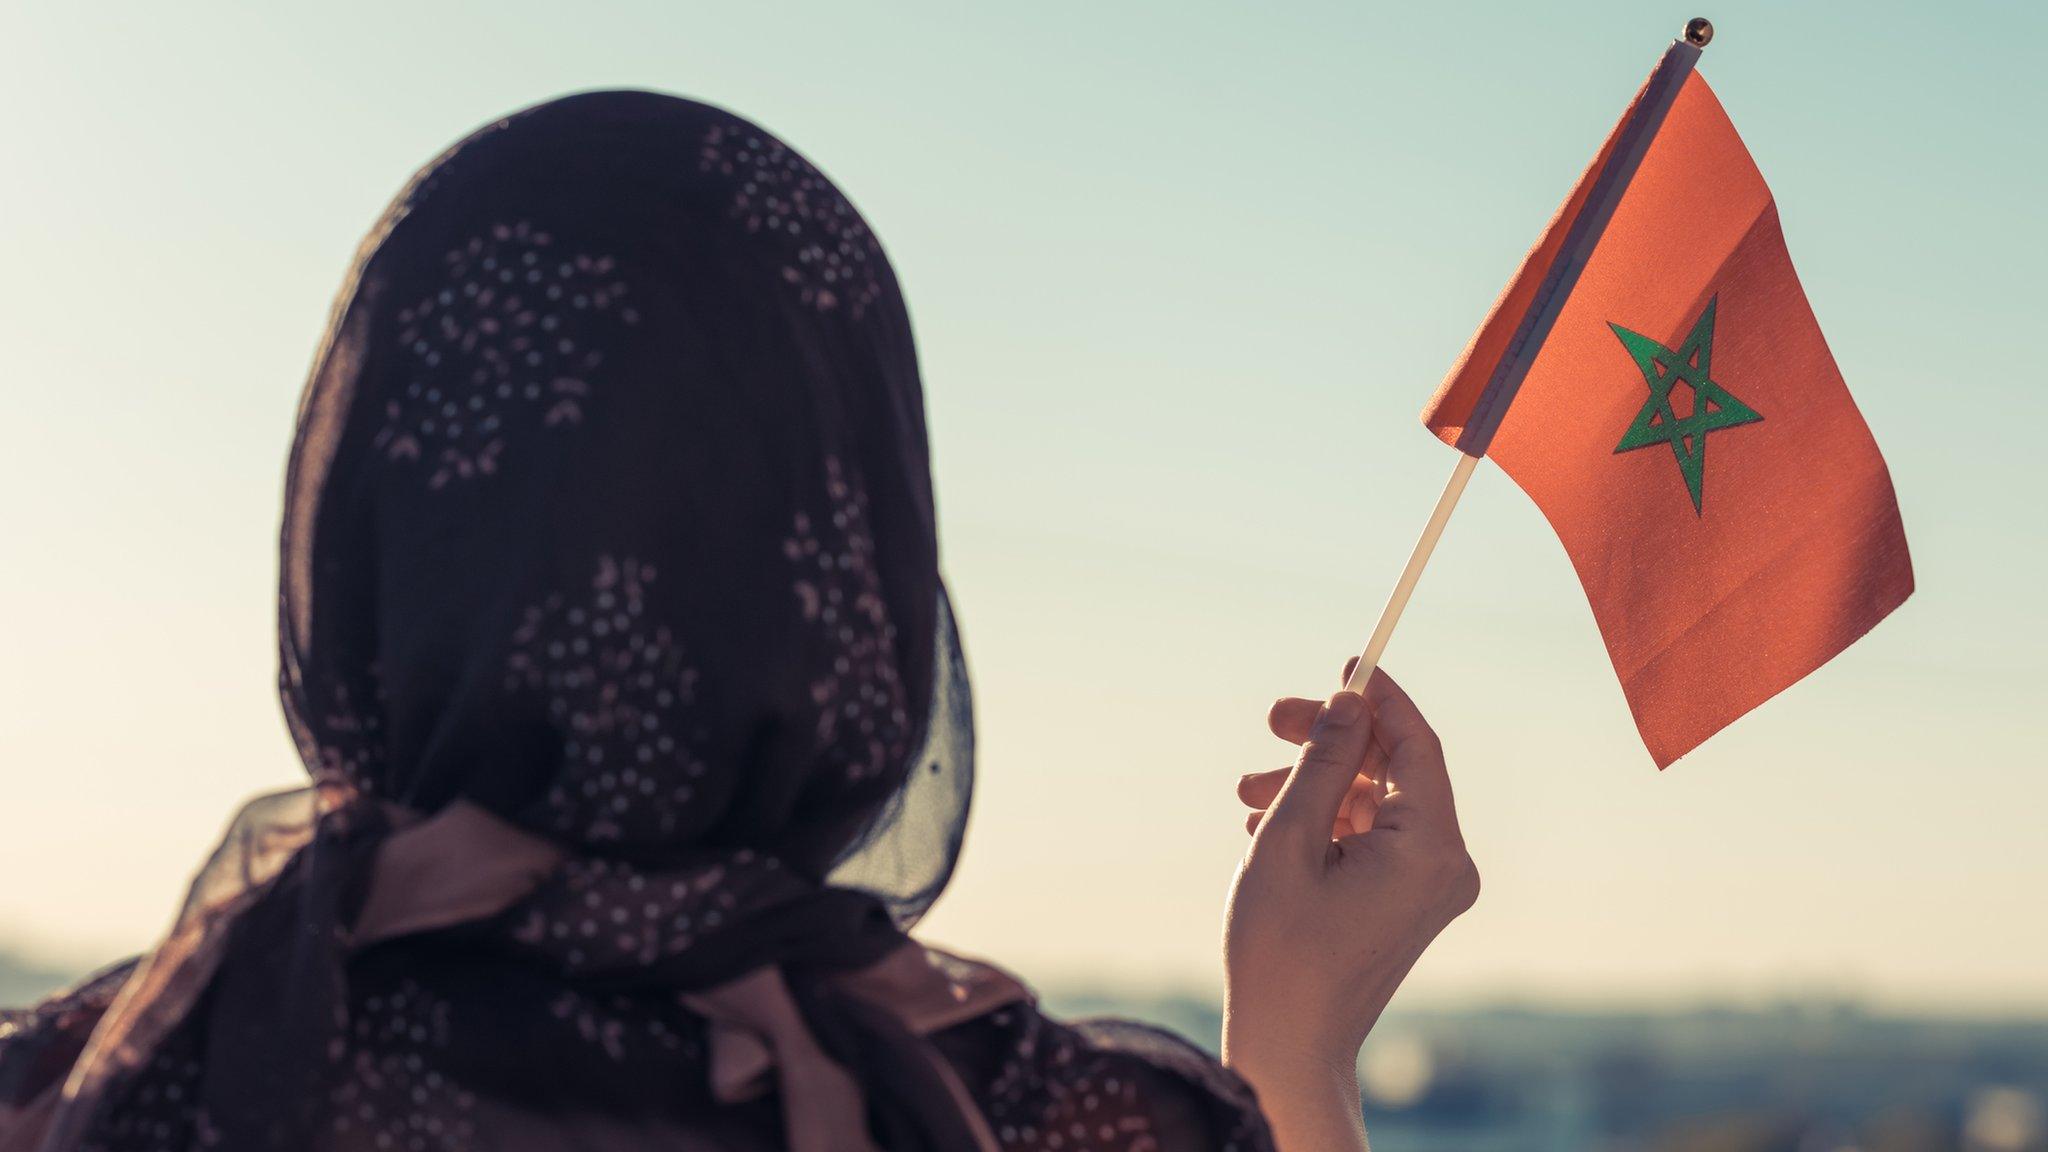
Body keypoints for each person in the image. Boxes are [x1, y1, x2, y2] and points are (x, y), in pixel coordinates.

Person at [0, 91, 1476, 1152]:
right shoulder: (1070, 1125)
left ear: (359, 540)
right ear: (858, 581)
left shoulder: (81, 1097)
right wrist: (1297, 1046)